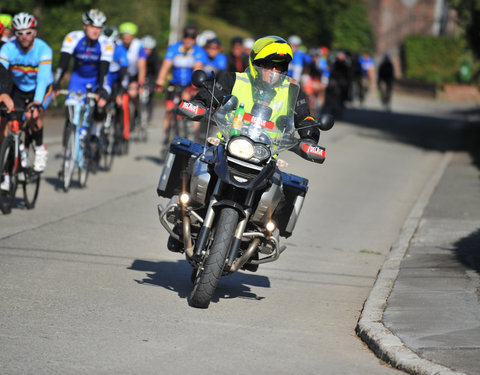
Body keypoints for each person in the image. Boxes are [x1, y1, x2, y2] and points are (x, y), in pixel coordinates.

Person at [192, 35, 320, 146]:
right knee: (199, 164)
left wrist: (309, 136)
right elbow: (212, 94)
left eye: (279, 67)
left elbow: (304, 117)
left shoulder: (291, 90)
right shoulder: (235, 79)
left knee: (279, 176)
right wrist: (200, 103)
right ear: (257, 64)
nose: (274, 72)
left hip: (267, 154)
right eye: (269, 66)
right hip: (227, 143)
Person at [52, 9, 113, 158]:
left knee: (100, 103)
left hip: (97, 77)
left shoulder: (107, 42)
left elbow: (104, 70)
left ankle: (95, 134)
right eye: (93, 26)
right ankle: (67, 150)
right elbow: (63, 63)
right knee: (70, 111)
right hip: (78, 78)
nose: (96, 31)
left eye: (99, 28)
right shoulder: (73, 37)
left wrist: (101, 90)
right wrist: (57, 82)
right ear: (85, 26)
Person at [0, 12, 53, 175]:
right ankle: (16, 150)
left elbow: (43, 80)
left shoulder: (43, 49)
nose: (24, 37)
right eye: (20, 33)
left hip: (40, 88)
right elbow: (1, 72)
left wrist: (37, 102)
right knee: (9, 120)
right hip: (18, 88)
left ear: (35, 33)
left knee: (31, 115)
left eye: (28, 33)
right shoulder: (8, 48)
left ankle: (39, 148)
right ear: (14, 34)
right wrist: (3, 93)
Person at [155, 24, 207, 145]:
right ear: (183, 37)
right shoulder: (174, 48)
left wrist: (192, 89)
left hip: (189, 85)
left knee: (191, 109)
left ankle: (194, 137)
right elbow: (165, 67)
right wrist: (160, 82)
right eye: (186, 36)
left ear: (195, 39)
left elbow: (197, 69)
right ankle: (166, 137)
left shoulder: (199, 52)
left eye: (192, 37)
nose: (188, 39)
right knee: (169, 109)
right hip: (175, 83)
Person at [118, 22, 147, 129]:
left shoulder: (139, 46)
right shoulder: (118, 44)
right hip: (122, 74)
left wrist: (140, 83)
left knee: (134, 94)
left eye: (129, 38)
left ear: (133, 37)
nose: (126, 40)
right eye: (124, 38)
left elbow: (142, 65)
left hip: (134, 74)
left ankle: (136, 114)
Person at [141, 35, 162, 122]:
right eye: (145, 49)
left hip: (151, 77)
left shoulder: (155, 57)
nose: (147, 51)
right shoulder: (140, 56)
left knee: (150, 96)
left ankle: (149, 115)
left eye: (149, 49)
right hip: (141, 77)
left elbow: (157, 70)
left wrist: (155, 82)